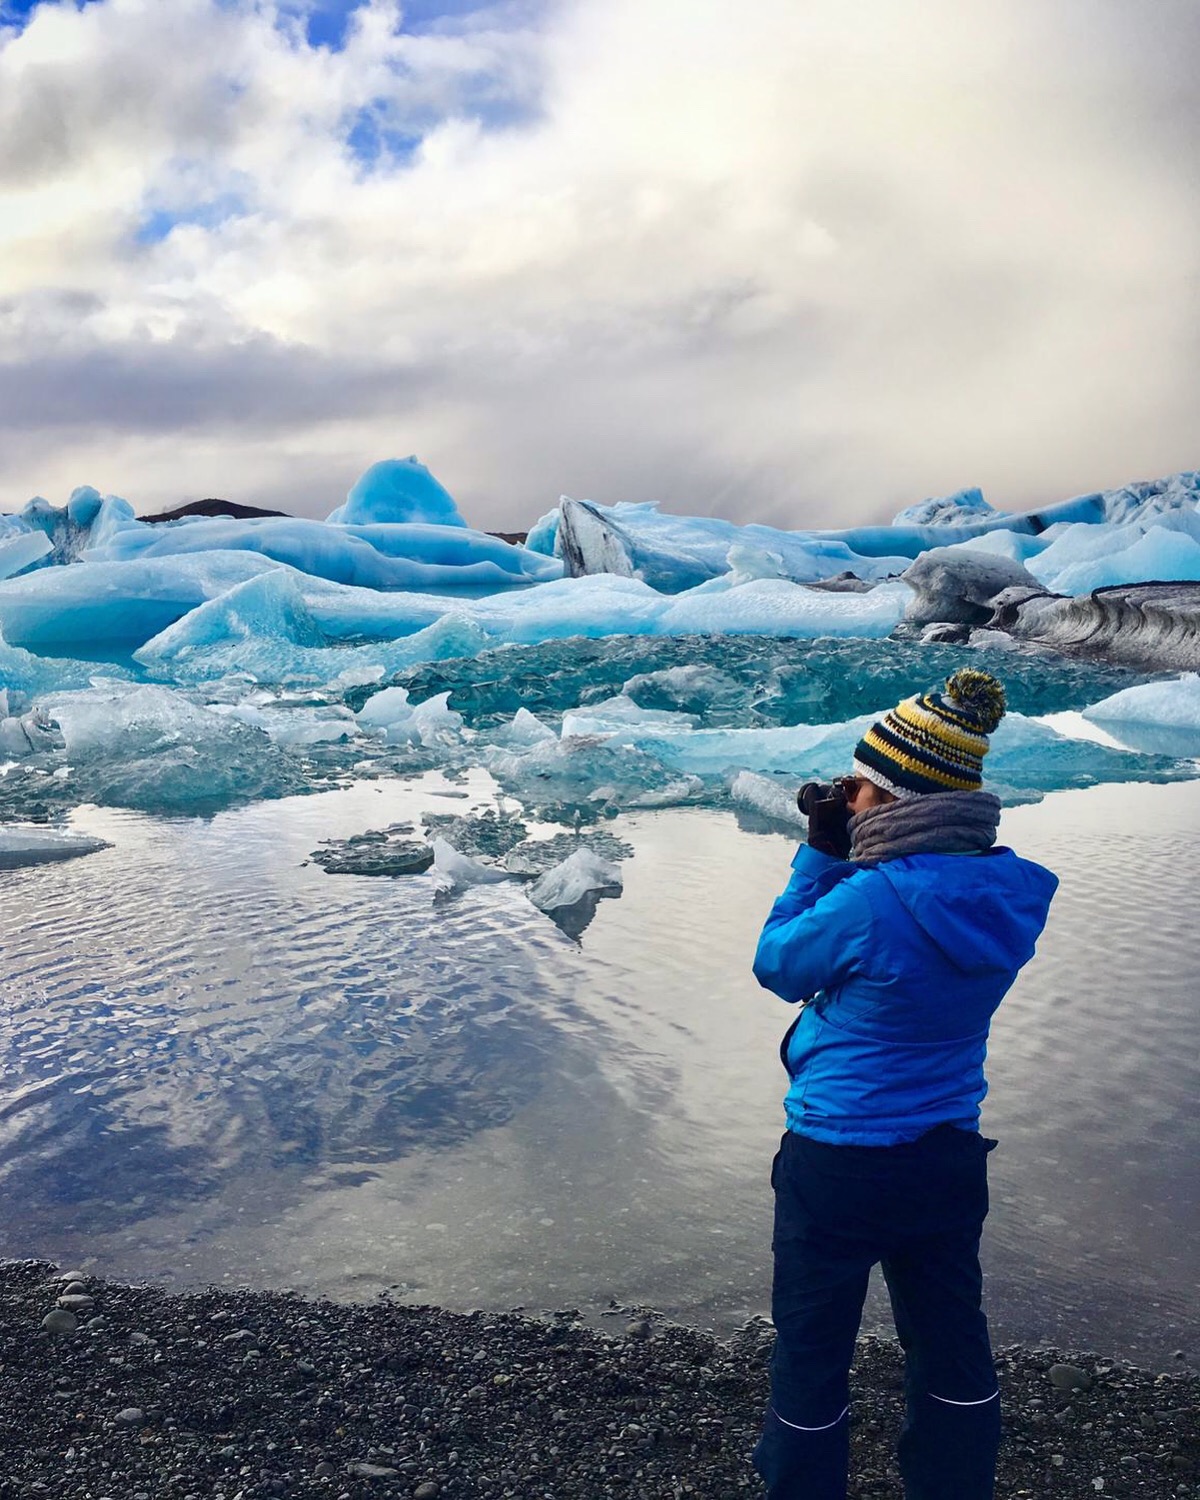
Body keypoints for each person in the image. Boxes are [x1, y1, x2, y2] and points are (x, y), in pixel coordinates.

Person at [751, 668, 1058, 1500]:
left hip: (840, 1161)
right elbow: (924, 898)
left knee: (813, 1354)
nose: (847, 802)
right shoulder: (1013, 894)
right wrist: (859, 850)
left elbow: (777, 963)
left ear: (891, 800)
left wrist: (818, 857)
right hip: (948, 1153)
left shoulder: (869, 902)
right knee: (951, 1341)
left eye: (858, 790)